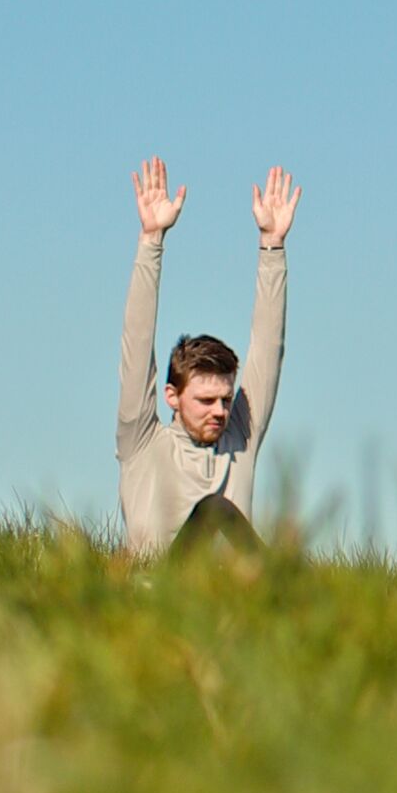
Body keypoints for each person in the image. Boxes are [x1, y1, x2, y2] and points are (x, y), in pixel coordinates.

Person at [117, 157, 297, 557]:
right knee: (215, 509)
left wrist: (272, 247)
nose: (220, 411)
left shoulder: (238, 441)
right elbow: (137, 342)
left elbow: (268, 349)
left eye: (226, 400)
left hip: (231, 592)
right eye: (205, 400)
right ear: (172, 396)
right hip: (160, 587)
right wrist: (151, 242)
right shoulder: (141, 441)